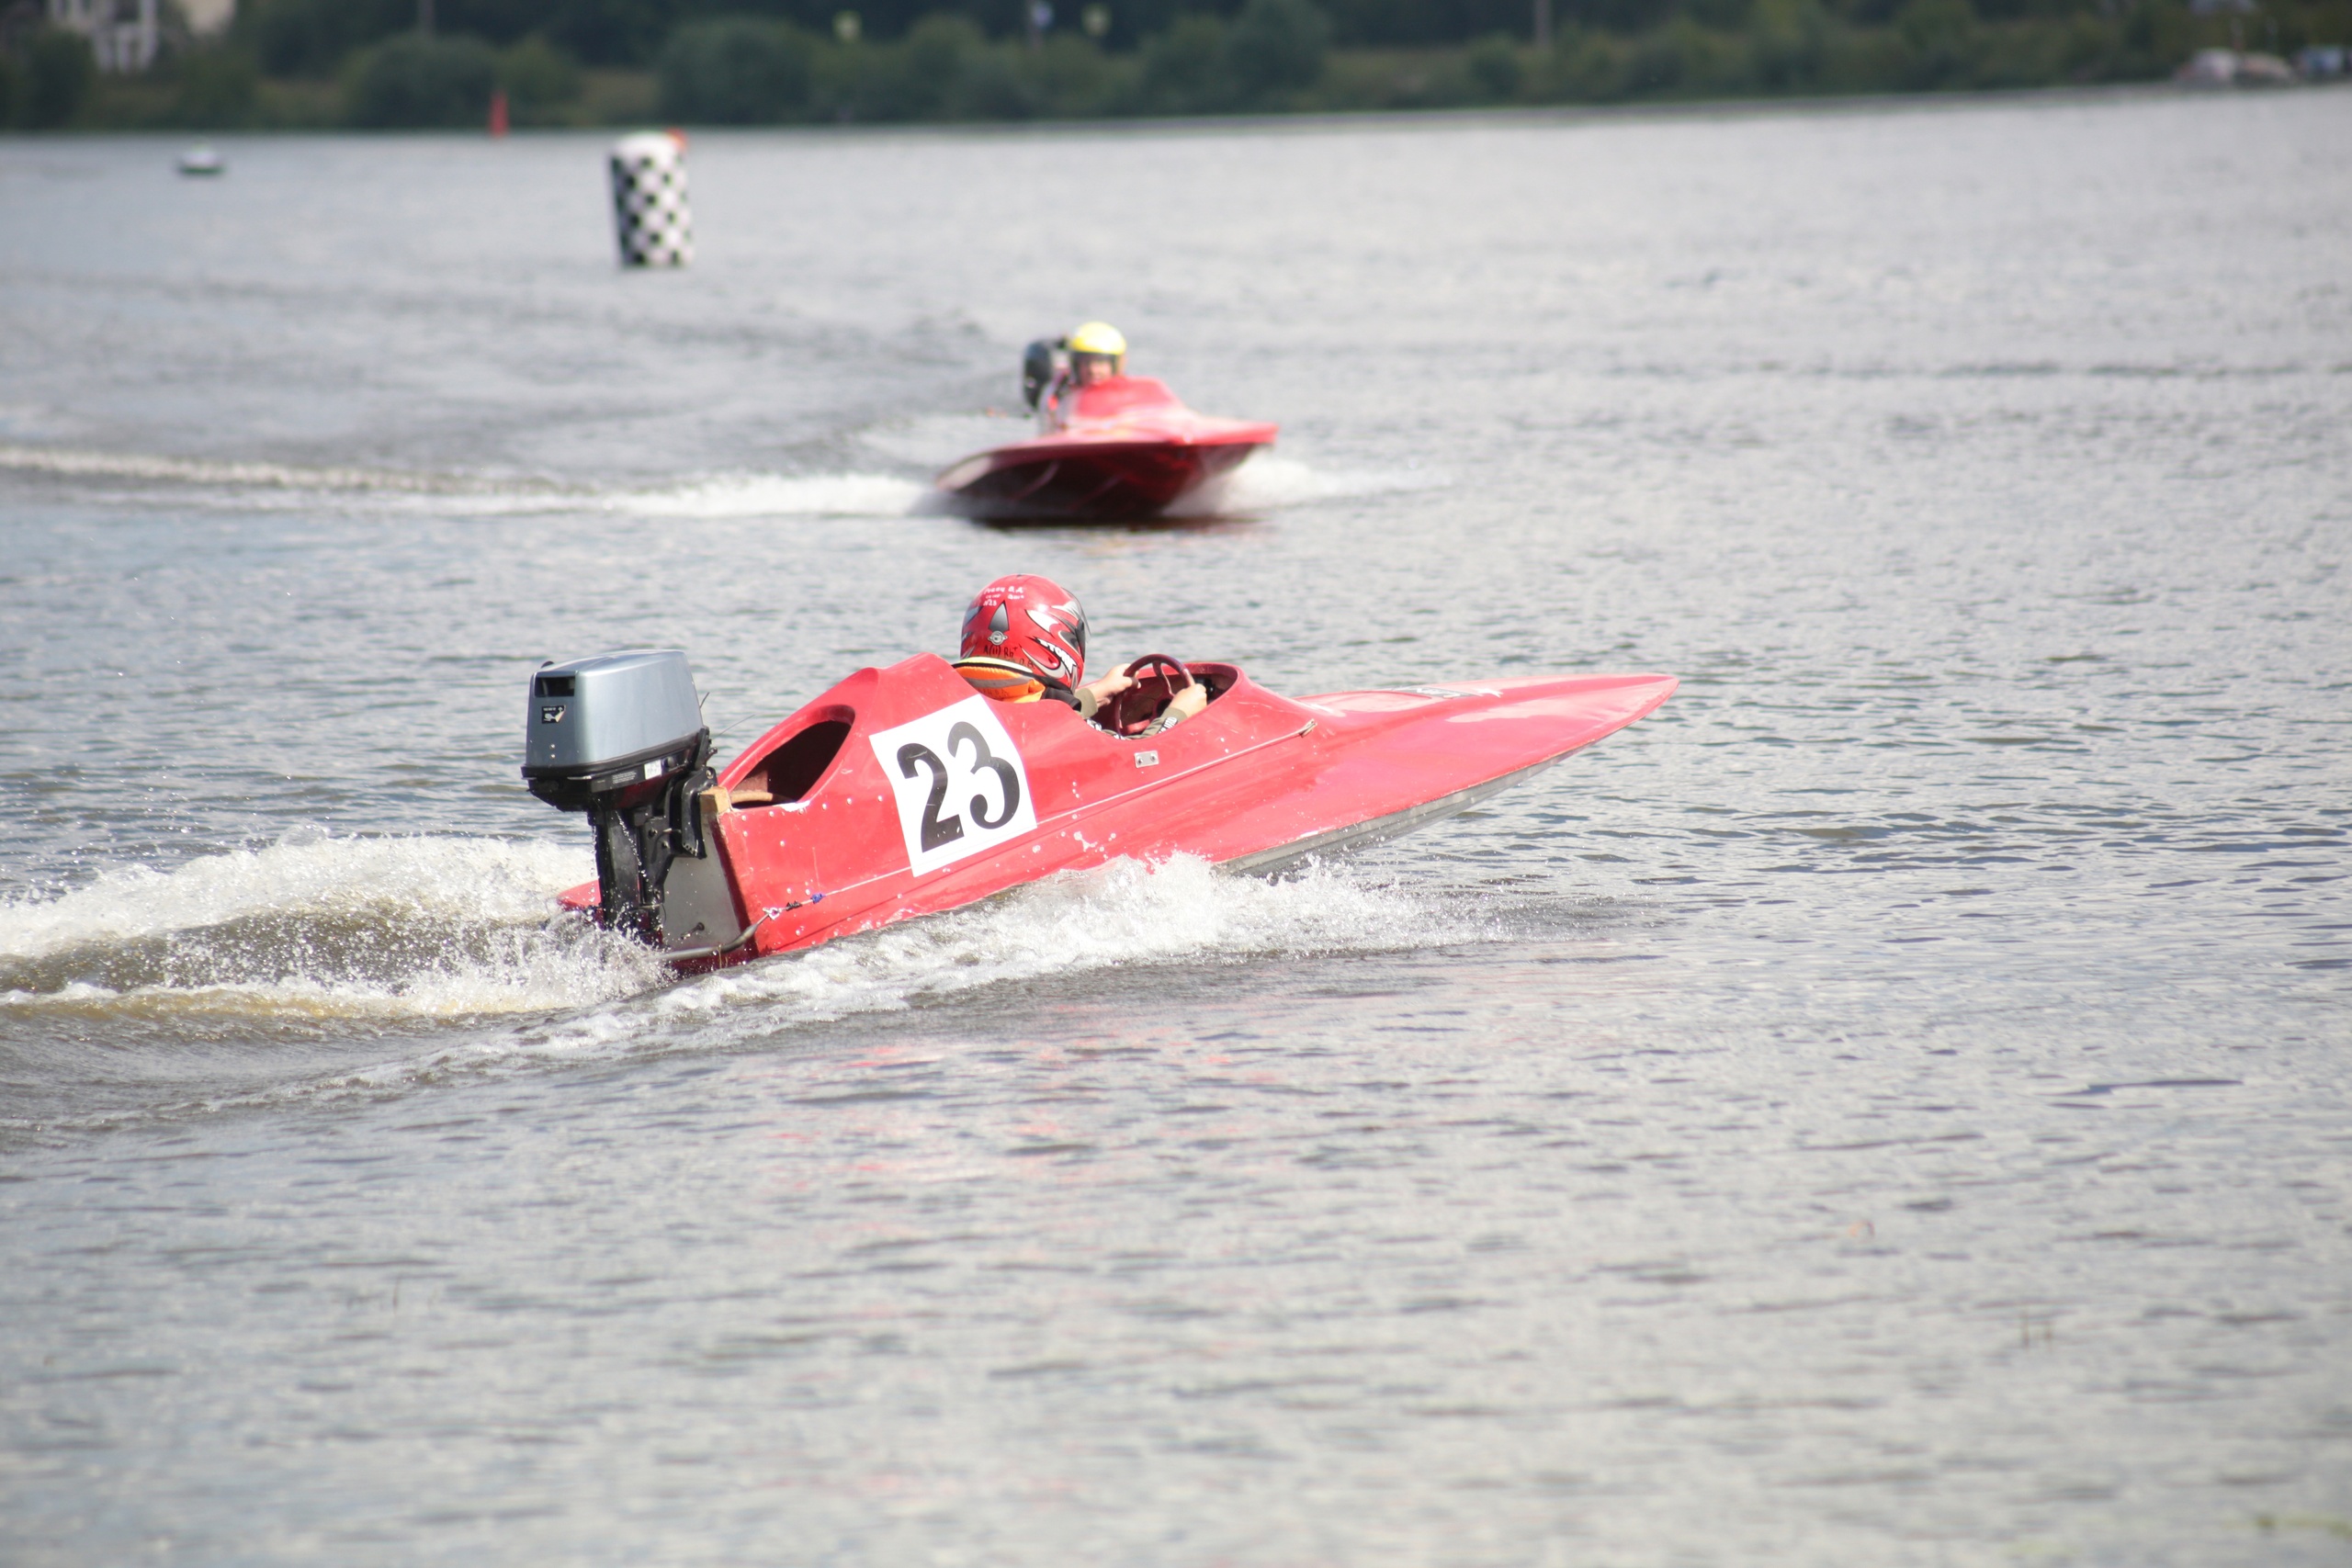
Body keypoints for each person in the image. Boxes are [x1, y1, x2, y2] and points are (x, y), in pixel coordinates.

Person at [951, 573, 1207, 736]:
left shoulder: (956, 699)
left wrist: (1094, 694)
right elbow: (1130, 759)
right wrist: (1177, 714)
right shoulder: (1062, 734)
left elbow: (1029, 710)